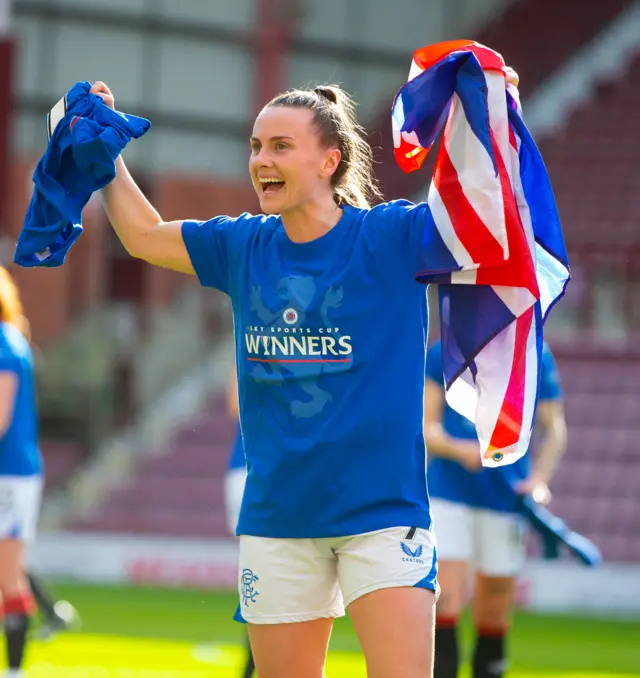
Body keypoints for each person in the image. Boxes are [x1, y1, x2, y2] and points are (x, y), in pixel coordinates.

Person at [89, 68, 523, 678]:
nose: (261, 160)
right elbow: (141, 235)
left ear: (330, 161)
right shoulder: (243, 245)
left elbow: (482, 213)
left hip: (381, 516)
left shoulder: (391, 236)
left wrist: (493, 111)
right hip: (278, 519)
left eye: (280, 146)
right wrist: (103, 150)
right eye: (256, 147)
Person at [424, 338, 567, 678]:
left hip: (505, 499)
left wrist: (540, 480)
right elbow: (427, 425)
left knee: (494, 613)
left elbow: (555, 428)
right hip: (448, 495)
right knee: (446, 600)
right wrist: (462, 450)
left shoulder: (535, 352)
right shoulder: (444, 349)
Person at [0, 267, 42, 678]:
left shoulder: (4, 344)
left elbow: (1, 415)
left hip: (10, 474)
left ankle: (14, 671)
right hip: (11, 473)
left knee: (9, 575)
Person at [224, 366, 254, 678]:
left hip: (288, 470)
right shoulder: (250, 335)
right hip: (247, 469)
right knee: (255, 571)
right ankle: (250, 665)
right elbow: (236, 403)